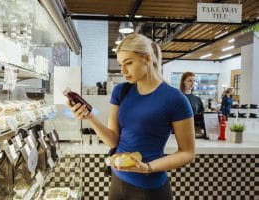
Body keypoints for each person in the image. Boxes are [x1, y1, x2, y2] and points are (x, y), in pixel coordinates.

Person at [67, 33, 195, 200]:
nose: (123, 71)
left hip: (149, 189)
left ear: (147, 59)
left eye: (128, 63)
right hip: (118, 181)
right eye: (121, 64)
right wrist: (90, 117)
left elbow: (187, 153)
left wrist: (147, 167)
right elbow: (113, 140)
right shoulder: (121, 91)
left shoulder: (175, 99)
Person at [179, 72, 205, 137]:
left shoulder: (197, 99)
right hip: (180, 131)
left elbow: (202, 117)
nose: (192, 83)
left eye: (194, 81)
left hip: (195, 132)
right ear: (184, 82)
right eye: (190, 81)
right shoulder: (177, 97)